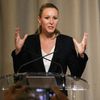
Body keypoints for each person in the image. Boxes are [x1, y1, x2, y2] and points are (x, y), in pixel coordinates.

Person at [11, 2, 88, 98]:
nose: (51, 22)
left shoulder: (66, 42)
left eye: (55, 18)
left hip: (58, 97)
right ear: (39, 20)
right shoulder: (29, 42)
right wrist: (18, 52)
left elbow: (76, 75)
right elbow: (19, 75)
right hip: (33, 97)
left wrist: (81, 55)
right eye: (47, 18)